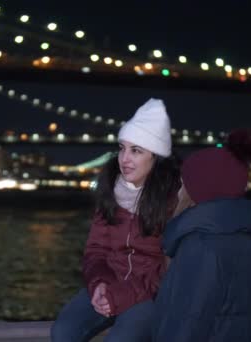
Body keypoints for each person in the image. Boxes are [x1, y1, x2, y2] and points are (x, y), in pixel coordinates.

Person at [51, 98, 182, 342]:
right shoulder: (111, 193)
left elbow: (170, 270)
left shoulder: (174, 202)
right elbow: (96, 250)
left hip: (150, 294)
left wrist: (120, 295)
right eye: (122, 148)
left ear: (156, 158)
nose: (125, 158)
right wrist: (99, 283)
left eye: (136, 150)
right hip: (110, 283)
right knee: (63, 332)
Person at [152, 129, 251, 342]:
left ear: (198, 191)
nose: (178, 191)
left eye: (183, 184)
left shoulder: (199, 248)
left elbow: (184, 328)